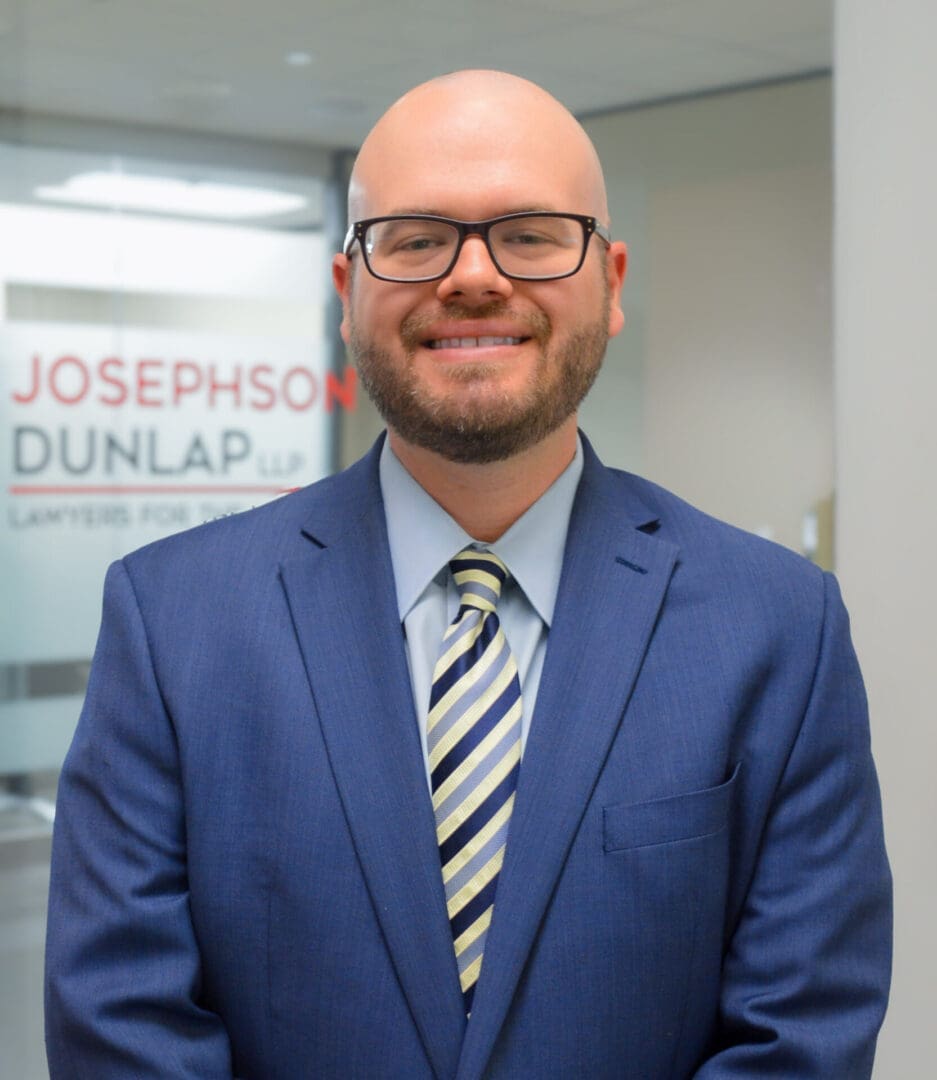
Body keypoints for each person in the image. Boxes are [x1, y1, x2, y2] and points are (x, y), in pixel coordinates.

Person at [45, 70, 891, 1078]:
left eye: (531, 233)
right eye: (415, 238)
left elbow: (800, 1036)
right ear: (347, 291)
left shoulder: (777, 627)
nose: (474, 276)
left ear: (612, 281)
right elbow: (122, 1032)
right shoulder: (171, 621)